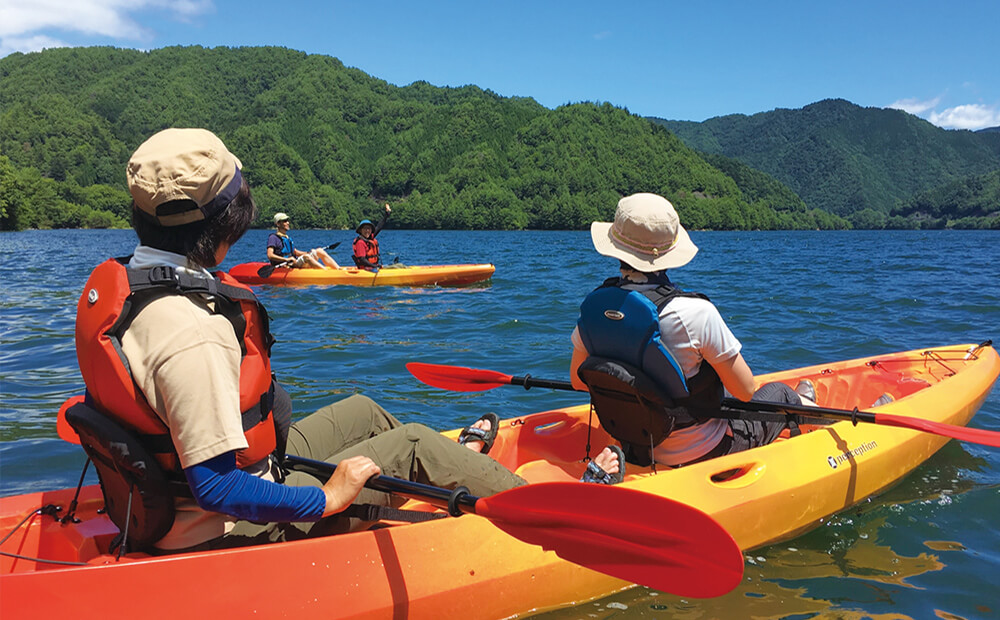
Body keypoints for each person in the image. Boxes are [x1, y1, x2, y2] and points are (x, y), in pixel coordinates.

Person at [73, 128, 554, 554]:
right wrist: (328, 496)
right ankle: (542, 513)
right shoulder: (194, 329)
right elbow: (215, 487)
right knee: (411, 442)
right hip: (225, 526)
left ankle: (440, 474)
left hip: (211, 479)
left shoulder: (131, 283)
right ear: (229, 220)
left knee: (363, 409)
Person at [570, 193, 812, 471]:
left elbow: (578, 380)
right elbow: (745, 391)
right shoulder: (693, 313)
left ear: (617, 249)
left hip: (636, 450)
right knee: (779, 394)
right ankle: (817, 412)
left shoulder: (595, 309)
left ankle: (806, 402)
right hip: (703, 453)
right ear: (669, 254)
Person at [267, 212, 339, 268]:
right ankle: (325, 273)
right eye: (285, 221)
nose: (288, 223)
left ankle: (338, 269)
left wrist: (307, 252)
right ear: (278, 224)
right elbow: (270, 255)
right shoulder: (273, 238)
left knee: (319, 250)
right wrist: (286, 260)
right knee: (306, 257)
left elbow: (294, 252)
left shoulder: (286, 237)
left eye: (287, 220)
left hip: (294, 261)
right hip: (287, 264)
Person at [352, 204, 393, 269]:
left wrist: (386, 215)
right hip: (366, 270)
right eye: (365, 228)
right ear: (360, 230)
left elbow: (379, 226)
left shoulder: (370, 238)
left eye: (369, 228)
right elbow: (362, 259)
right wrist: (375, 266)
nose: (367, 231)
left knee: (399, 266)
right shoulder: (360, 242)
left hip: (373, 267)